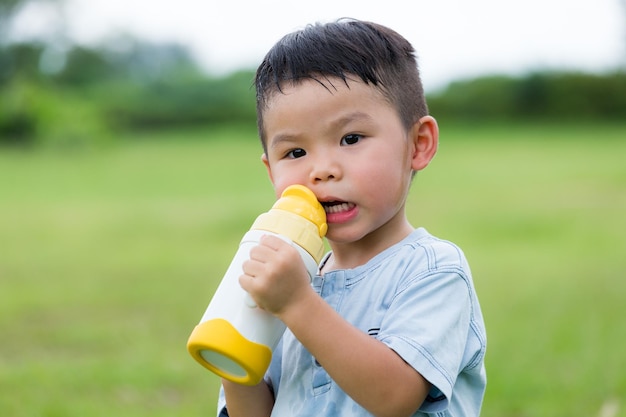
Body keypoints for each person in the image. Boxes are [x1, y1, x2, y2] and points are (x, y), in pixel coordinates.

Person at [217, 18, 487, 417]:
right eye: (294, 153)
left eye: (350, 139)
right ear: (271, 170)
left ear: (419, 144)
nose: (321, 170)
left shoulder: (433, 271)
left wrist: (297, 303)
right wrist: (237, 354)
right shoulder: (291, 277)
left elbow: (395, 397)